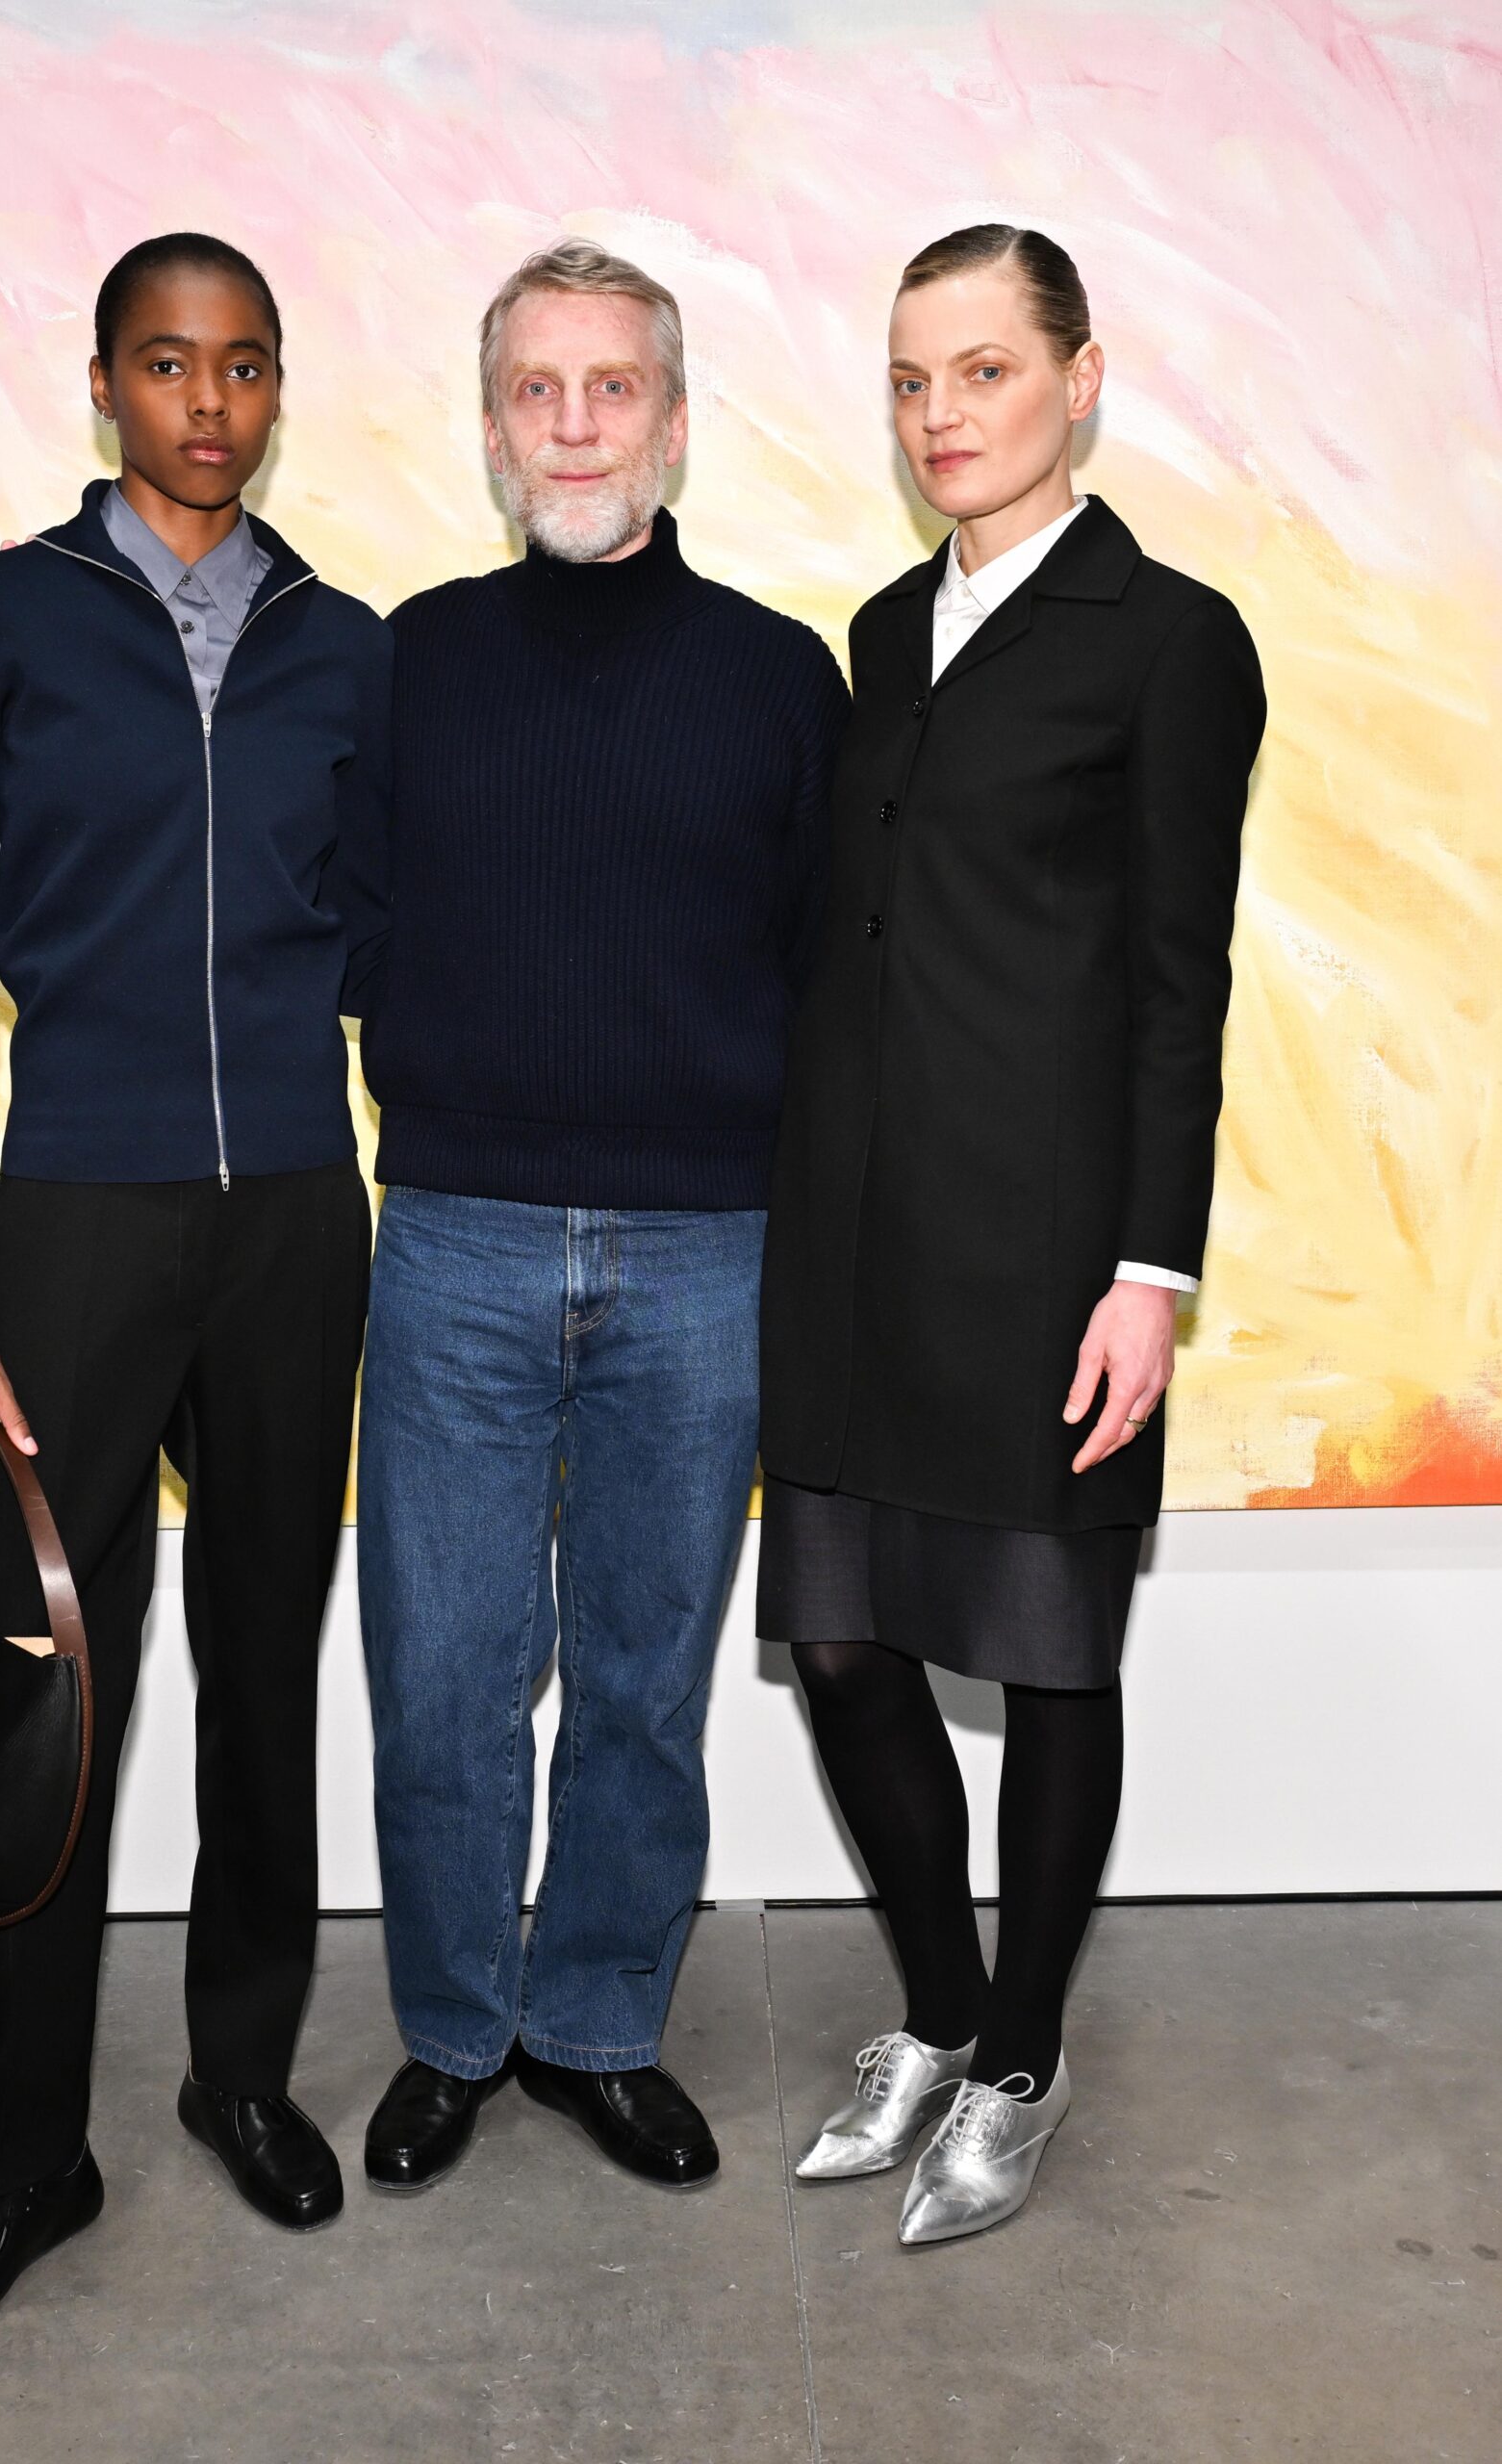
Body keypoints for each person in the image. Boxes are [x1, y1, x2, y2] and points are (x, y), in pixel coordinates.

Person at [0, 232, 390, 2349]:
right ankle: (29, 2148)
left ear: (277, 394)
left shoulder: (346, 646)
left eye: (244, 365)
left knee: (263, 1666)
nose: (207, 399)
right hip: (68, 1224)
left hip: (288, 1214)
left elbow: (377, 944)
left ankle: (239, 2069)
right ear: (102, 381)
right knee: (53, 1691)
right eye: (168, 361)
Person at [758, 225, 1264, 2244]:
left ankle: (1026, 2051)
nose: (939, 414)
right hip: (847, 1239)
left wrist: (1149, 1270)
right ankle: (940, 2008)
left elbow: (1174, 979)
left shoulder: (1169, 638)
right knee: (838, 1634)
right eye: (907, 379)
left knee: (1049, 1656)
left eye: (978, 370)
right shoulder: (879, 636)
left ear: (1075, 378)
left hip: (1048, 1254)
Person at [355, 240, 849, 2194]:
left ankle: (592, 2025)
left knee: (645, 1681)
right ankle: (455, 2028)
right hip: (456, 1237)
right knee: (442, 1677)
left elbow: (821, 961)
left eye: (610, 386)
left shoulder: (772, 675)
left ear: (670, 415)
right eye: (536, 391)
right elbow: (346, 915)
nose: (574, 425)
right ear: (490, 429)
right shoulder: (404, 657)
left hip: (701, 1253)